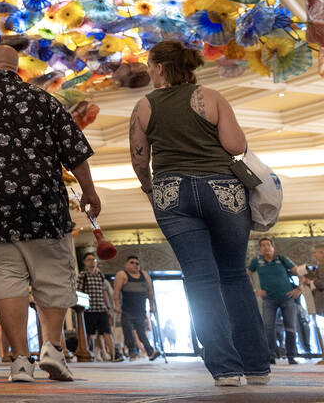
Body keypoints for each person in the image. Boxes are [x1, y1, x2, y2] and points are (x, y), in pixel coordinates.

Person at [0, 44, 101, 384]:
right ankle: (53, 347)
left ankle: (21, 361)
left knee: (5, 283)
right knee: (52, 277)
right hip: (44, 208)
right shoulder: (44, 100)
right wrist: (89, 191)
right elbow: (75, 151)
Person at [130, 39, 269, 387]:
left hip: (170, 192)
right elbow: (236, 147)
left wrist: (150, 189)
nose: (148, 72)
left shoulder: (145, 105)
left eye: (149, 66)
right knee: (234, 275)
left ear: (160, 67)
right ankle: (256, 367)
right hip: (222, 189)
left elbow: (137, 158)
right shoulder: (212, 97)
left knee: (199, 278)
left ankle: (225, 370)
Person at [249, 237, 302, 365]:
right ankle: (271, 356)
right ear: (260, 248)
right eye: (263, 245)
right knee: (268, 328)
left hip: (288, 298)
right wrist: (255, 290)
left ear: (273, 247)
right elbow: (247, 274)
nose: (266, 247)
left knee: (290, 327)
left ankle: (291, 356)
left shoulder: (282, 259)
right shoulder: (257, 261)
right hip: (269, 300)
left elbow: (299, 271)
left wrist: (299, 289)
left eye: (268, 245)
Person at [111, 256, 159, 362]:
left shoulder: (144, 275)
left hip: (140, 310)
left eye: (137, 263)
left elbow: (150, 291)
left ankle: (150, 352)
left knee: (142, 332)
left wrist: (152, 305)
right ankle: (132, 352)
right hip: (127, 310)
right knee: (127, 330)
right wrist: (117, 305)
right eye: (132, 262)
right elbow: (116, 293)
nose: (135, 265)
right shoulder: (122, 274)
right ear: (126, 264)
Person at [78, 253, 118, 362]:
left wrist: (108, 307)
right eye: (89, 260)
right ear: (85, 262)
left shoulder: (100, 275)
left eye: (93, 259)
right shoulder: (83, 275)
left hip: (101, 308)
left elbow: (103, 292)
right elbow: (79, 291)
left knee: (106, 331)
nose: (92, 262)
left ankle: (114, 355)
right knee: (89, 333)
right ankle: (83, 354)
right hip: (88, 310)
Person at [295, 244, 324, 365]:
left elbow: (322, 283)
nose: (314, 254)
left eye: (316, 252)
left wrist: (310, 281)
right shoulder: (319, 267)